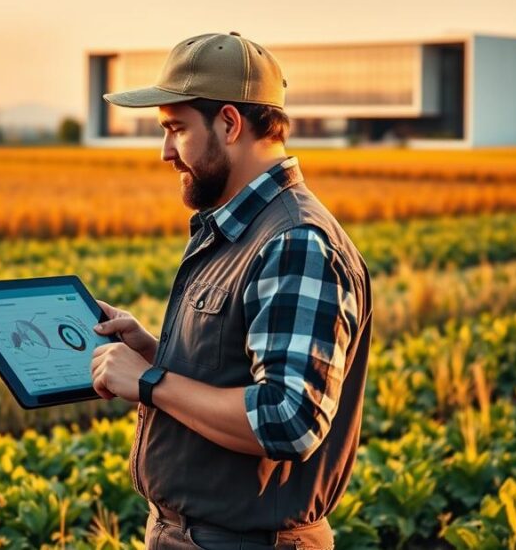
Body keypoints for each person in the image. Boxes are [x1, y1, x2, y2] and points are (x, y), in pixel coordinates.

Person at [90, 32, 373, 550]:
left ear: (229, 123)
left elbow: (288, 420)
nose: (165, 153)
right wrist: (153, 350)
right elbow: (241, 369)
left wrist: (151, 381)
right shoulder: (238, 225)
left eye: (175, 129)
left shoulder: (296, 242)